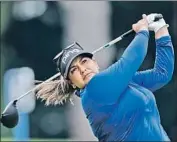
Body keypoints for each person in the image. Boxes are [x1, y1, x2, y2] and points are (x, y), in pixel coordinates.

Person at [36, 13, 174, 141]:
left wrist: (161, 30)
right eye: (74, 70)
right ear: (71, 83)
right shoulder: (93, 92)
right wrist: (142, 31)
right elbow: (131, 60)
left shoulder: (122, 82)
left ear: (94, 62)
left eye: (84, 61)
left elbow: (161, 75)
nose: (82, 69)